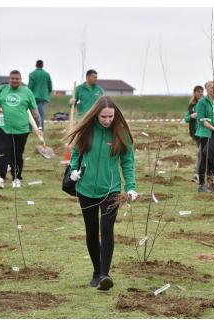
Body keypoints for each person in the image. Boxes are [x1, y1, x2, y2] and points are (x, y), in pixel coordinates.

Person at [67, 96, 137, 291]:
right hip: (86, 189)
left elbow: (128, 162)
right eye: (104, 116)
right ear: (96, 114)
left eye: (111, 116)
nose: (107, 120)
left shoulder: (120, 133)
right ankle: (96, 272)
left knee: (106, 229)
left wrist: (131, 186)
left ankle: (105, 274)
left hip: (111, 190)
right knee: (91, 231)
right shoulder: (86, 131)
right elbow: (75, 153)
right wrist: (73, 170)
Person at [0, 70, 42, 189]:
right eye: (12, 78)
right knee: (2, 153)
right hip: (3, 127)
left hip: (22, 129)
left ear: (21, 79)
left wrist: (39, 127)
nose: (14, 80)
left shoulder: (27, 92)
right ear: (9, 79)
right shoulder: (1, 89)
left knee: (17, 155)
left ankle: (16, 178)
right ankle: (0, 177)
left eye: (17, 79)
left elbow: (34, 111)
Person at [184, 85, 204, 182]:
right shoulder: (191, 106)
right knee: (201, 153)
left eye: (201, 91)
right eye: (198, 91)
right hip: (196, 134)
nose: (200, 93)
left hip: (205, 132)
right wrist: (192, 116)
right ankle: (199, 174)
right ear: (194, 93)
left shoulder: (206, 103)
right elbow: (186, 119)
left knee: (202, 153)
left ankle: (199, 173)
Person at [28, 59, 53, 130]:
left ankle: (29, 129)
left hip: (32, 97)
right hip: (43, 97)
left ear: (36, 65)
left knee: (31, 114)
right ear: (42, 65)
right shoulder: (47, 74)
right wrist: (47, 93)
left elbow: (30, 86)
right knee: (41, 115)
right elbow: (50, 86)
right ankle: (40, 129)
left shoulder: (32, 74)